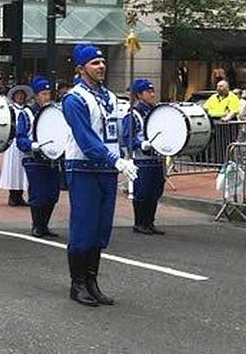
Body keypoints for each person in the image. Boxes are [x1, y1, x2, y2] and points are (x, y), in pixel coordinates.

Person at [62, 43, 138, 306]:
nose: (101, 66)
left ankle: (92, 281)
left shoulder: (112, 98)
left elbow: (118, 132)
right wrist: (113, 159)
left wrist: (128, 151)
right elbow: (86, 138)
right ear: (80, 68)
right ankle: (78, 284)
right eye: (95, 63)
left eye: (103, 61)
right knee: (83, 227)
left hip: (107, 169)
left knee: (100, 229)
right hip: (84, 168)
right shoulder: (74, 99)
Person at [19, 76, 61, 238]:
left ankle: (45, 225)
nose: (47, 97)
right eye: (43, 94)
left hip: (52, 158)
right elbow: (21, 138)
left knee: (52, 194)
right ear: (36, 96)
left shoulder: (54, 112)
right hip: (34, 159)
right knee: (39, 193)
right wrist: (31, 145)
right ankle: (37, 225)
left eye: (48, 94)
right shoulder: (27, 113)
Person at [122, 79, 165, 235]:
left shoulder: (156, 112)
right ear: (139, 95)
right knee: (143, 191)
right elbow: (127, 137)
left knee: (155, 191)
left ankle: (150, 222)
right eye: (148, 91)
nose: (152, 94)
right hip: (142, 160)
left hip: (156, 158)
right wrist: (141, 144)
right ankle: (140, 223)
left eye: (153, 91)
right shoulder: (133, 114)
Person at [0, 85, 30, 207]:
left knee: (22, 170)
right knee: (13, 168)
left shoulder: (27, 110)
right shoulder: (10, 109)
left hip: (24, 142)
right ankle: (12, 195)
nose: (20, 97)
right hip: (13, 143)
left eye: (22, 94)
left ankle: (20, 194)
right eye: (18, 94)